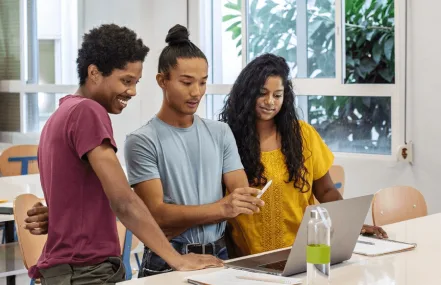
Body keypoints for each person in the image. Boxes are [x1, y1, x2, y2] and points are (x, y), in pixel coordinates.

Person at [24, 24, 222, 284]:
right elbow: (124, 201)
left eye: (136, 82)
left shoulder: (61, 114)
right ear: (94, 73)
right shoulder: (88, 112)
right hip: (86, 271)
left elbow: (79, 195)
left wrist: (62, 216)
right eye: (126, 81)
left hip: (68, 270)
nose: (133, 91)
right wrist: (178, 259)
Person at [123, 24, 264, 277]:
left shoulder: (220, 132)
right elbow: (158, 215)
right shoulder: (141, 140)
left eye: (202, 82)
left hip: (220, 252)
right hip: (167, 256)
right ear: (162, 81)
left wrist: (182, 216)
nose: (196, 92)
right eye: (186, 82)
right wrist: (221, 209)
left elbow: (240, 199)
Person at [219, 53, 388, 257]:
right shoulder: (227, 138)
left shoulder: (303, 135)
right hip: (248, 259)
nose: (269, 102)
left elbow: (325, 191)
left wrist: (353, 224)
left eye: (277, 95)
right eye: (262, 93)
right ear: (247, 94)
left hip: (303, 253)